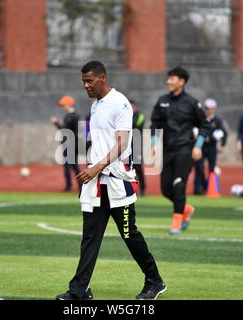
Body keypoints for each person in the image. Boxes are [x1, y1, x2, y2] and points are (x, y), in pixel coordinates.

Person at [56, 61, 166, 301]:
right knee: (90, 238)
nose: (85, 86)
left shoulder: (120, 103)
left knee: (129, 234)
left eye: (89, 81)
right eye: (83, 81)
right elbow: (100, 141)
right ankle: (79, 291)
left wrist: (97, 166)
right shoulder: (95, 106)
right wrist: (92, 165)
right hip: (97, 185)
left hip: (117, 183)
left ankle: (155, 281)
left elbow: (122, 143)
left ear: (102, 78)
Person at [151, 66, 211, 234]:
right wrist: (154, 143)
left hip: (185, 149)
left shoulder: (192, 103)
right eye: (168, 78)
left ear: (182, 82)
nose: (168, 81)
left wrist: (198, 146)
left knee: (178, 185)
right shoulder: (162, 101)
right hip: (167, 150)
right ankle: (186, 209)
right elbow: (155, 123)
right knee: (165, 189)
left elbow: (205, 125)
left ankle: (177, 221)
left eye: (172, 78)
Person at [193, 98, 228, 195]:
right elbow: (194, 129)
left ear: (214, 109)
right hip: (201, 146)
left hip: (212, 147)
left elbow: (224, 133)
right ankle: (198, 189)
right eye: (206, 108)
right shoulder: (200, 119)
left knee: (212, 168)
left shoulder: (217, 121)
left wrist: (222, 144)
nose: (208, 111)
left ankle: (211, 188)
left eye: (210, 109)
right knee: (199, 168)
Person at [51, 95, 81, 192]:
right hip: (72, 143)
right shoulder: (74, 115)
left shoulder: (72, 116)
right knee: (73, 166)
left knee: (70, 166)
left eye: (64, 105)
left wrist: (56, 123)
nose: (63, 107)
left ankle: (71, 186)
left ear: (68, 105)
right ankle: (78, 186)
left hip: (70, 144)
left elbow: (64, 129)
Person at [130, 100, 146, 196]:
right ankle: (132, 189)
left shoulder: (140, 117)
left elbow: (136, 126)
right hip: (127, 147)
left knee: (138, 169)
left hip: (137, 146)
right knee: (129, 169)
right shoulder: (126, 116)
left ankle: (143, 189)